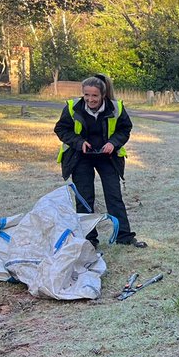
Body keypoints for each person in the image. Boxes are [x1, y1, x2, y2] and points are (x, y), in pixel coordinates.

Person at [54, 73, 146, 248]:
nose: (90, 99)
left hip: (107, 157)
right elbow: (61, 129)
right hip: (80, 157)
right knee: (84, 199)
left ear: (103, 95)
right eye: (86, 95)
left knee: (114, 197)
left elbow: (125, 129)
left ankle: (124, 237)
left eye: (94, 95)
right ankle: (88, 240)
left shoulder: (116, 108)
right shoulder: (73, 107)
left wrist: (113, 143)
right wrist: (79, 142)